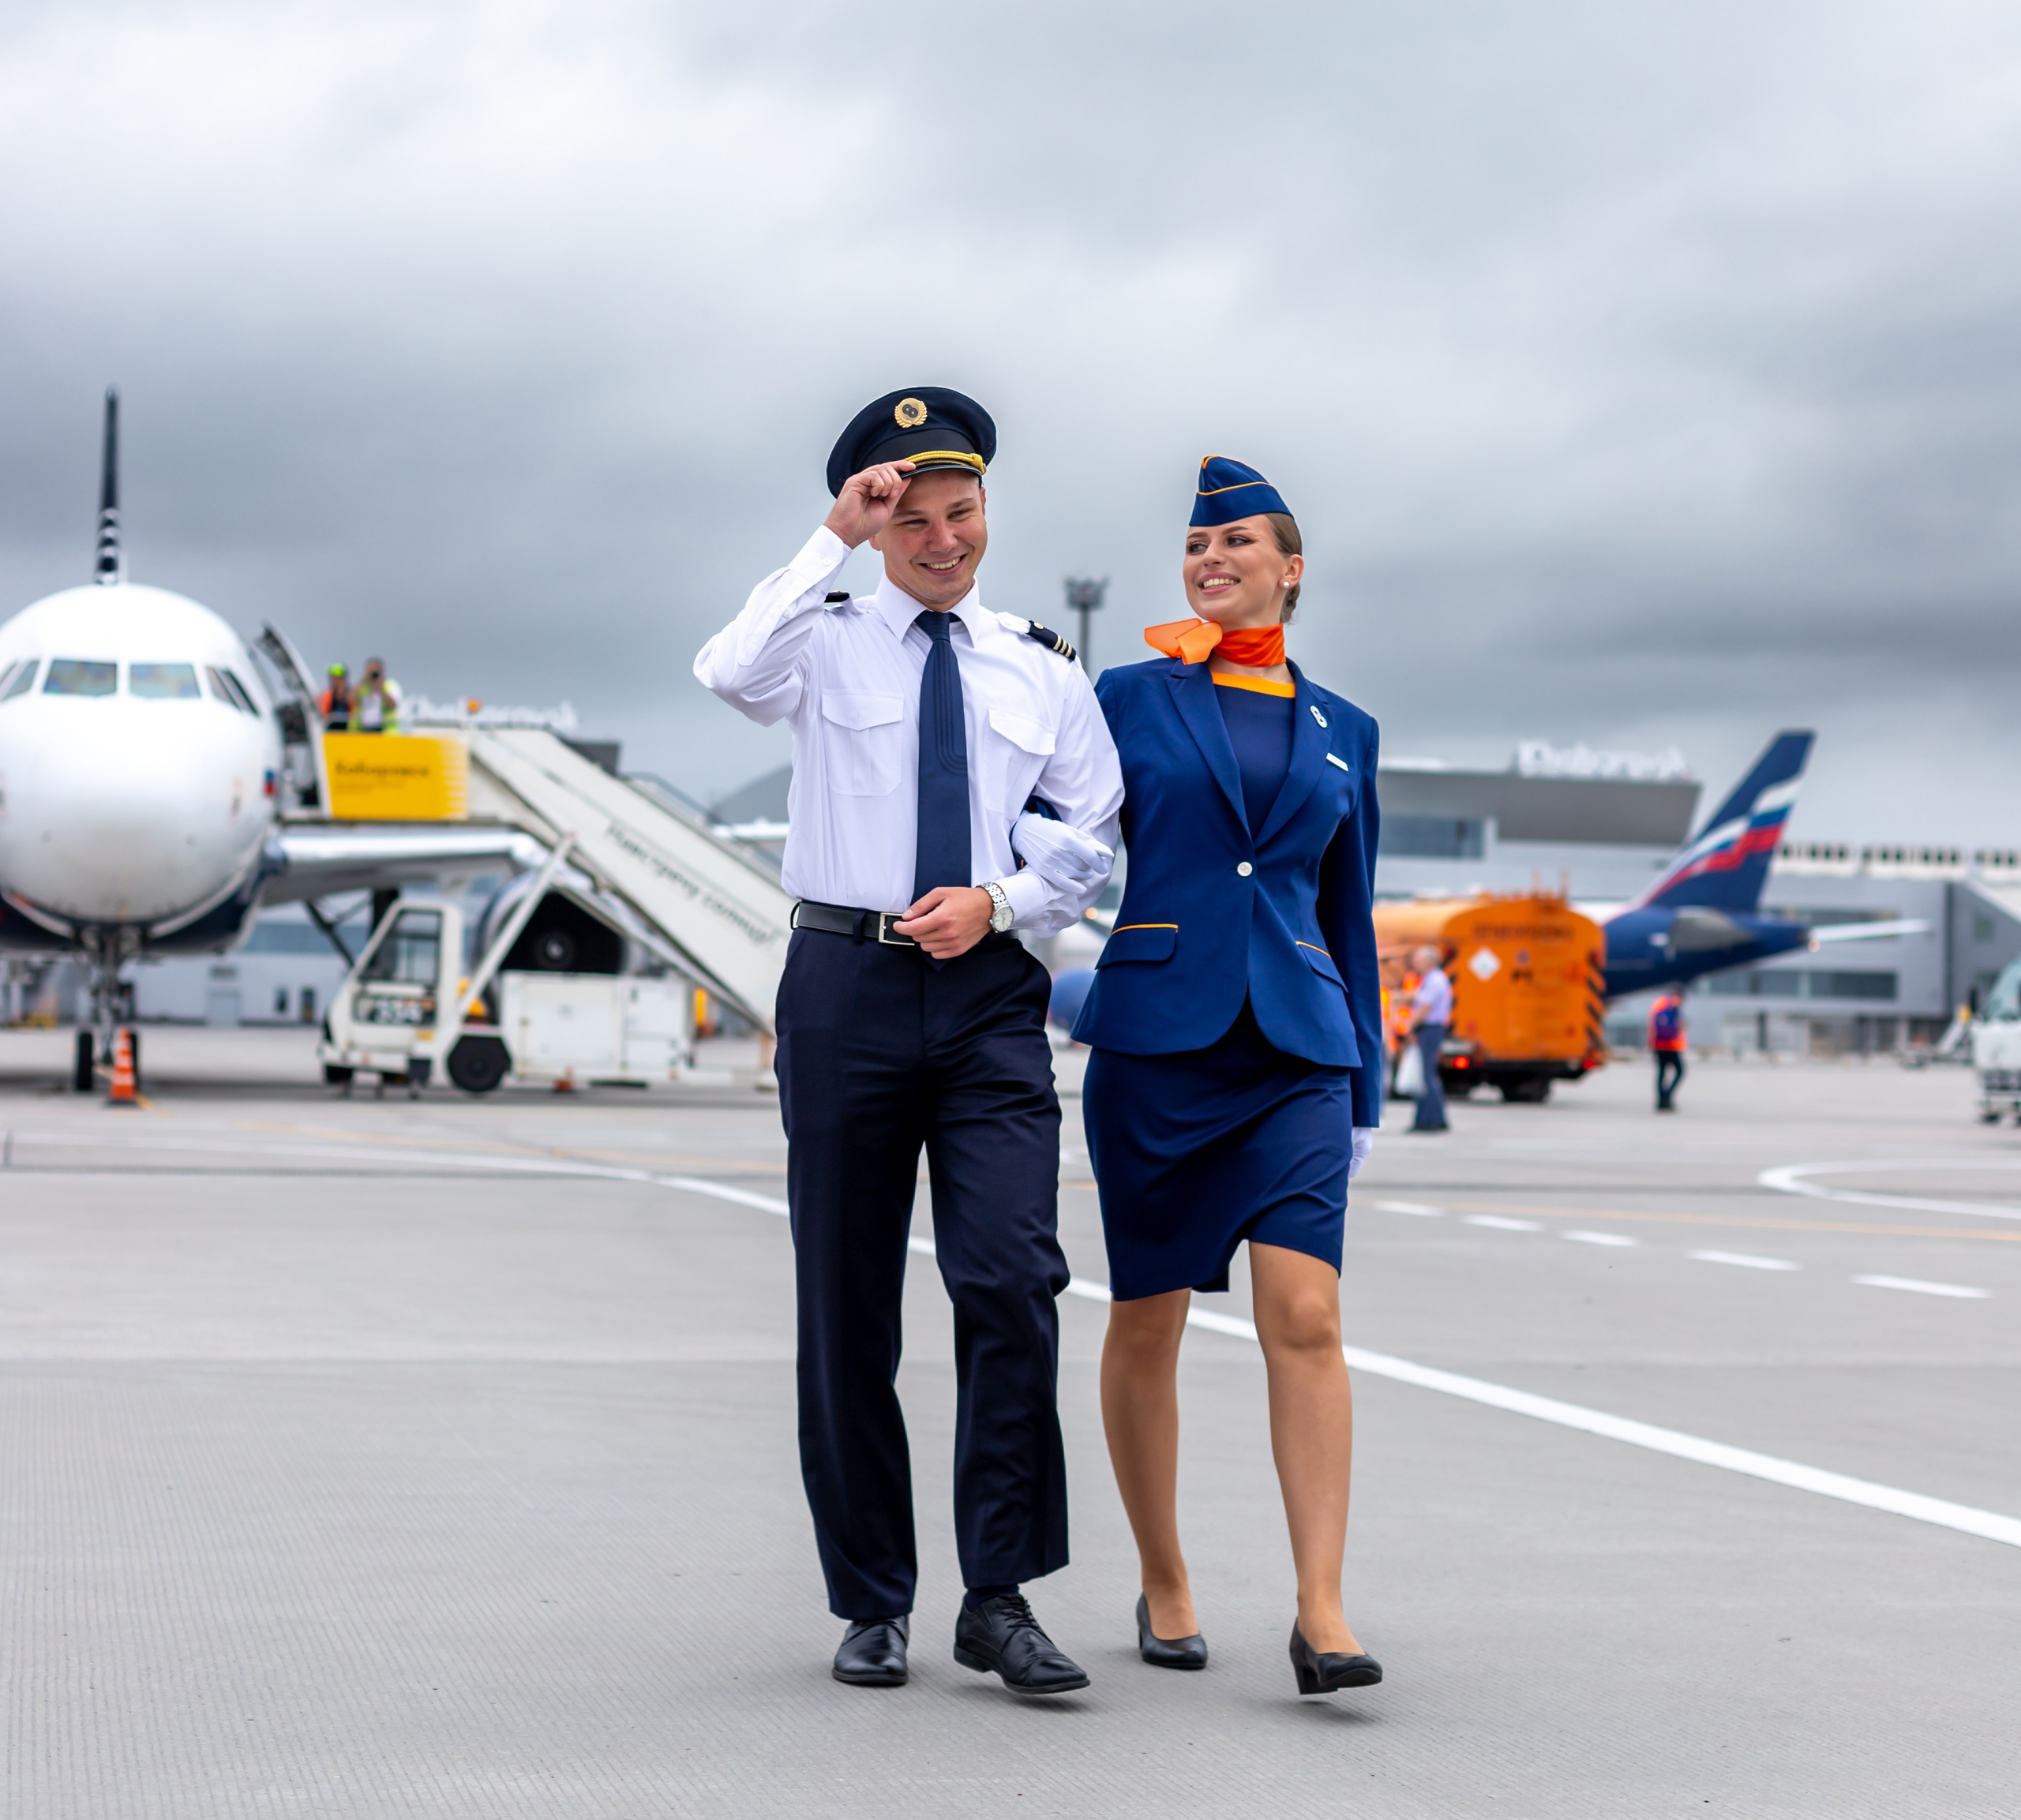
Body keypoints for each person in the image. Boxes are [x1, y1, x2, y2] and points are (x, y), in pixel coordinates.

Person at [694, 388, 1123, 1696]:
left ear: (986, 509)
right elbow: (726, 672)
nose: (944, 540)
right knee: (848, 1303)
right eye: (916, 518)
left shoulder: (1040, 667)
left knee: (1010, 1280)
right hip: (843, 985)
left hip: (990, 992)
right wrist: (826, 538)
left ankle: (997, 1597)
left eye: (963, 511)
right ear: (879, 525)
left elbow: (1091, 830)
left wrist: (1003, 900)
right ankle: (873, 1596)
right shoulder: (820, 640)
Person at [1072, 456, 1384, 1698]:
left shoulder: (1344, 728)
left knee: (1306, 1318)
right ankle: (1164, 1575)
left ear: (1290, 568)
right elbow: (1060, 828)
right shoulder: (1128, 695)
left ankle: (1322, 1608)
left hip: (1298, 1050)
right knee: (1147, 1319)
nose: (1212, 559)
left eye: (1239, 543)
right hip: (1158, 1042)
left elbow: (1348, 911)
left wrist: (1363, 1090)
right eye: (1200, 546)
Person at [1408, 944, 1453, 1132]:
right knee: (1426, 1075)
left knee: (1426, 1075)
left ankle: (1432, 1119)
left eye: (1418, 960)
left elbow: (1425, 1008)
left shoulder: (1434, 980)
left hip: (1430, 1029)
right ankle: (1427, 1118)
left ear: (1429, 961)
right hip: (1431, 1030)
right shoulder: (1431, 979)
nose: (1415, 963)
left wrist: (1410, 1027)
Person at [1650, 988, 1687, 1110]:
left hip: (1662, 1046)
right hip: (1667, 1046)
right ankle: (1664, 1098)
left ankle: (1664, 1099)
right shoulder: (1667, 1006)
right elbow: (1664, 1026)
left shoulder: (1668, 1006)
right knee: (1679, 1071)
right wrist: (1675, 1028)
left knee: (1663, 1072)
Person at [354, 657, 401, 734]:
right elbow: (350, 700)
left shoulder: (389, 685)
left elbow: (392, 705)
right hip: (363, 730)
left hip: (383, 731)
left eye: (376, 672)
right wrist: (363, 679)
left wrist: (380, 687)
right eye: (371, 671)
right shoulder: (363, 687)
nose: (373, 675)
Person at [318, 662, 353, 732]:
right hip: (332, 734)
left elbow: (355, 713)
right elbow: (324, 715)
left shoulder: (351, 695)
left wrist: (343, 695)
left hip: (349, 733)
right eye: (332, 678)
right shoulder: (327, 695)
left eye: (337, 678)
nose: (334, 681)